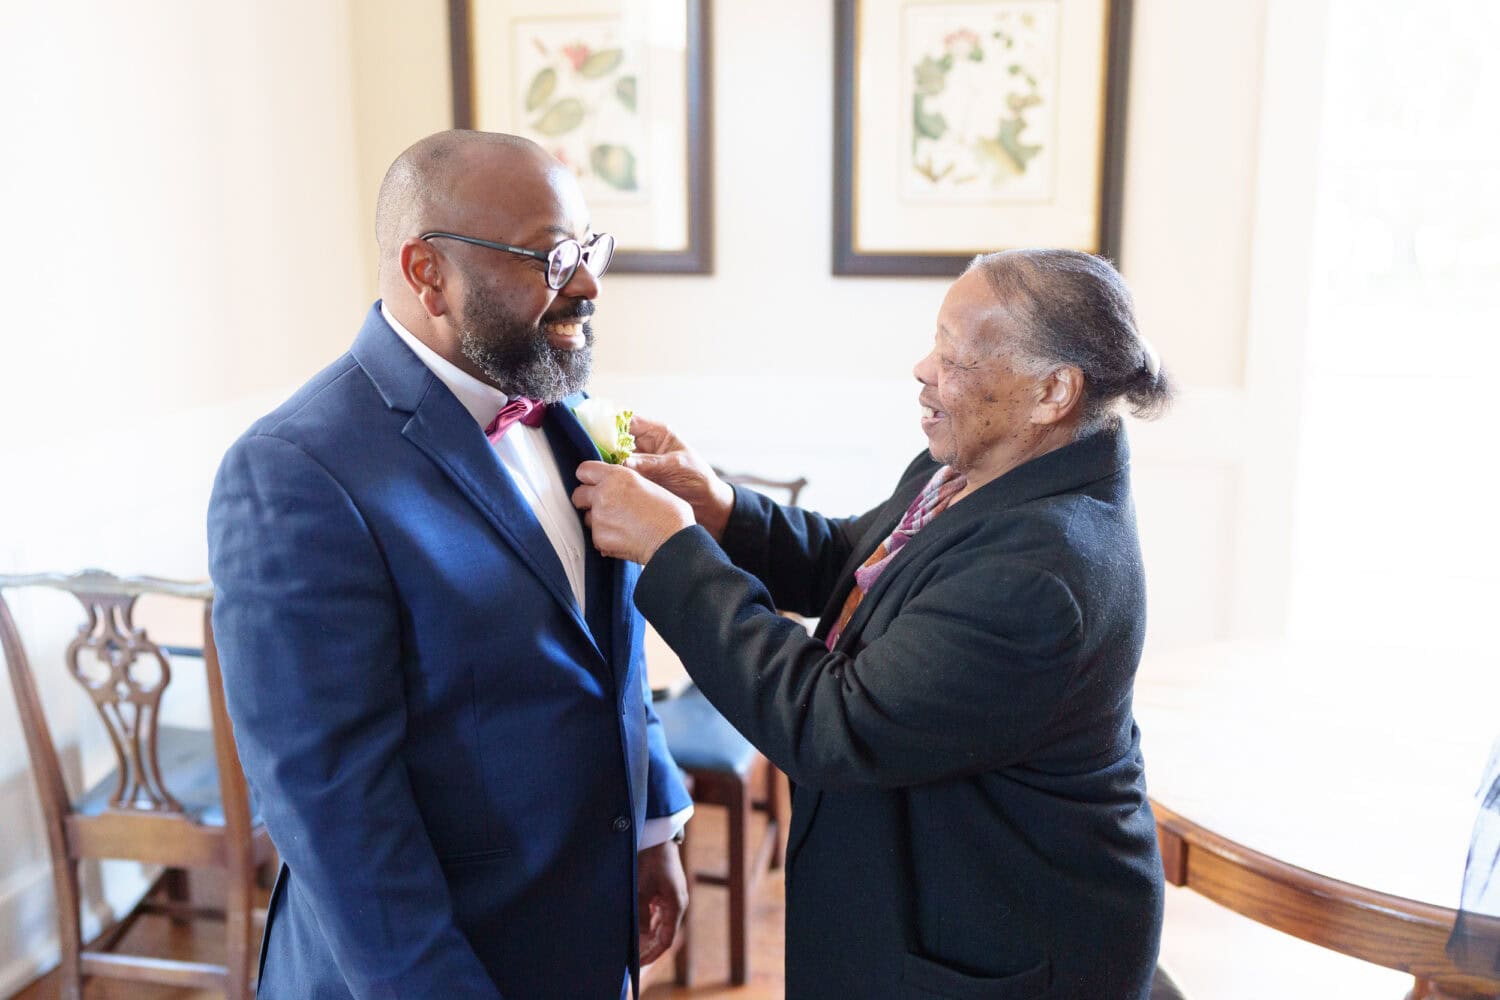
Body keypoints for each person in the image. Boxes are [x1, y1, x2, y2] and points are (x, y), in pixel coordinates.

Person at [573, 249, 1173, 998]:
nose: (924, 369)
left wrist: (671, 552)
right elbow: (858, 565)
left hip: (999, 943)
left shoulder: (1045, 575)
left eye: (955, 358)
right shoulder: (973, 468)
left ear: (1054, 392)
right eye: (935, 342)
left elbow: (833, 723)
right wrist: (718, 509)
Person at [207, 130, 691, 999]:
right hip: (437, 962)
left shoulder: (566, 408)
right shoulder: (295, 470)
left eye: (586, 249)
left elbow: (609, 646)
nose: (585, 282)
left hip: (583, 933)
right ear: (428, 272)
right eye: (549, 255)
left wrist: (652, 830)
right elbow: (335, 811)